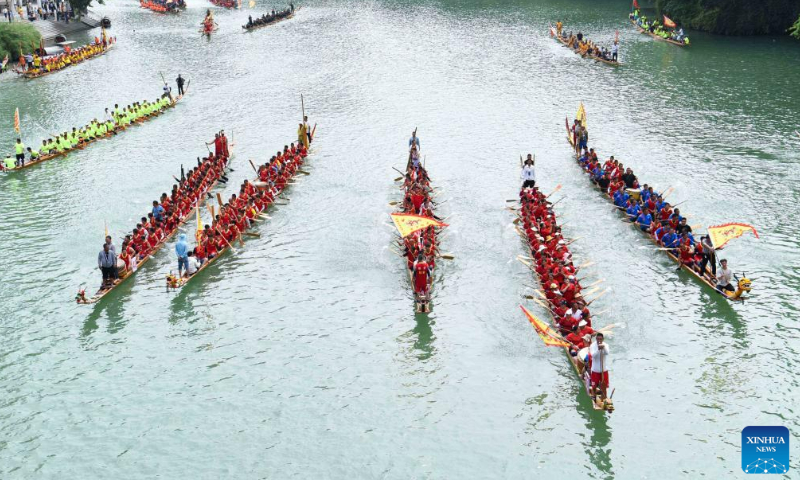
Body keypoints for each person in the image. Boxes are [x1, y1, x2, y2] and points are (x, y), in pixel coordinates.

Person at [589, 332, 609, 401]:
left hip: (604, 369)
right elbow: (593, 356)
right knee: (594, 385)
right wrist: (598, 349)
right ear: (596, 338)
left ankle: (604, 397)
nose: (599, 340)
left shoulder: (605, 345)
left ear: (603, 339)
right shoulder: (592, 345)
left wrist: (603, 348)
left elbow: (607, 353)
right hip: (595, 369)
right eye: (598, 339)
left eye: (601, 339)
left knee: (604, 385)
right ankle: (594, 396)